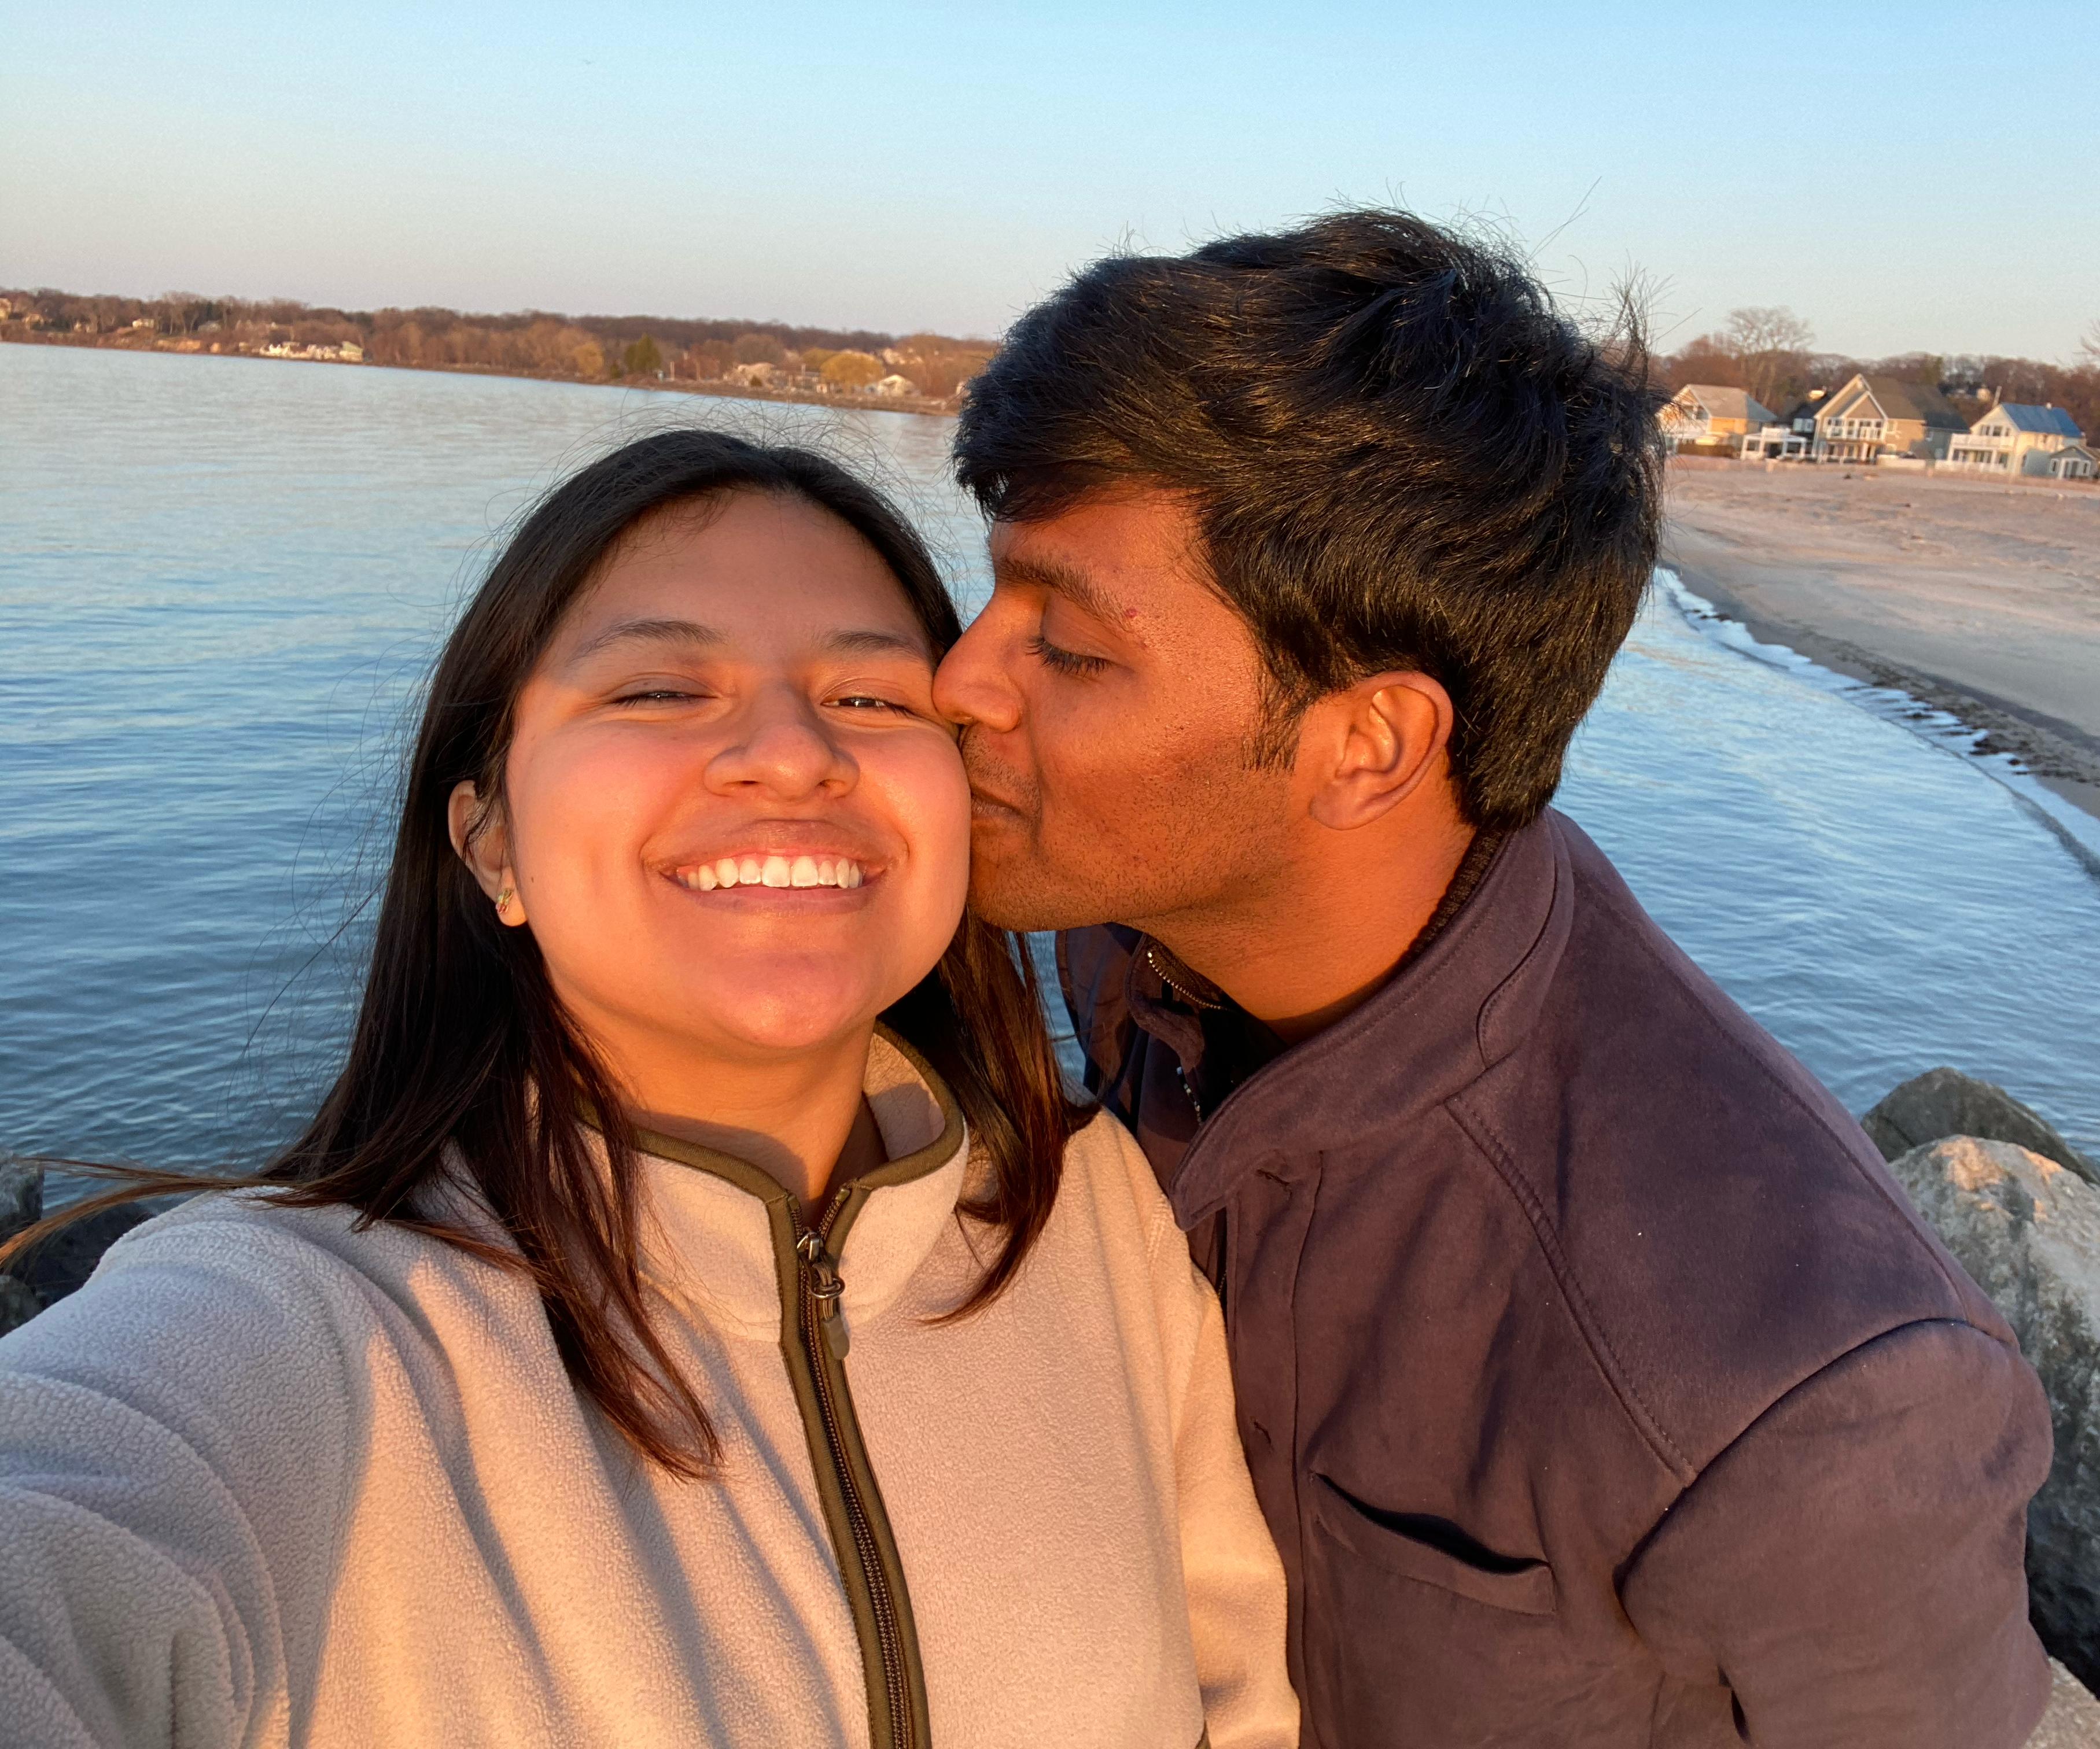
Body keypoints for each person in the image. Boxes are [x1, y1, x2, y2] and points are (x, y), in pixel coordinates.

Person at [931, 212, 2055, 1747]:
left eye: (1064, 644)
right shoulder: (1131, 949)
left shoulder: (1795, 1389)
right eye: (991, 597)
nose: (954, 681)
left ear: (1370, 744)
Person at [0, 430, 1299, 1749]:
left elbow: (1244, 1708)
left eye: (870, 700)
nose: (792, 756)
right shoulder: (310, 1337)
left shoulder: (1094, 1223)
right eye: (661, 691)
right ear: (490, 840)